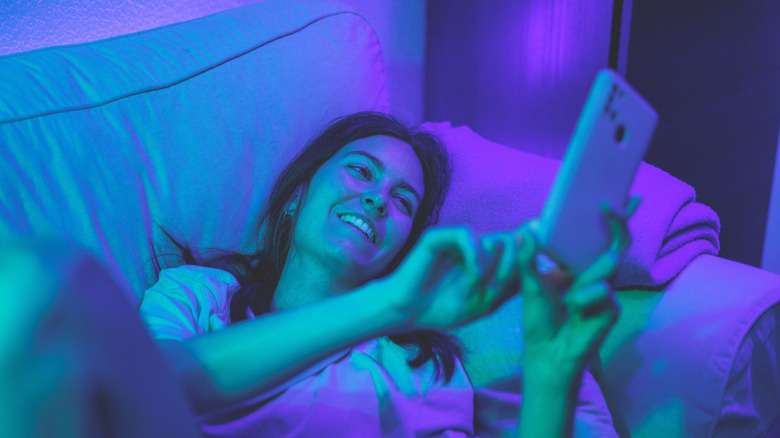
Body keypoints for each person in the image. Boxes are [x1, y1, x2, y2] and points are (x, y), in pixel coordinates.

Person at [139, 111, 628, 437]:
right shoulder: (197, 296)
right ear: (296, 197)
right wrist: (390, 303)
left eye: (402, 201)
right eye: (361, 171)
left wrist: (551, 375)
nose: (377, 199)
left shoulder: (414, 371)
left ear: (400, 251)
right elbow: (149, 389)